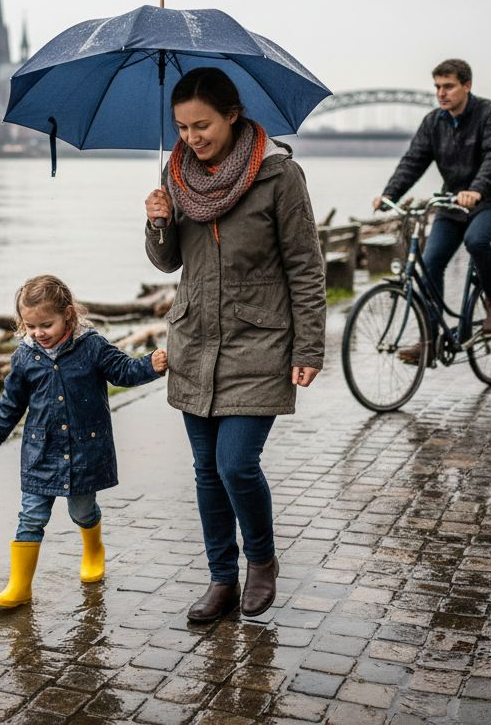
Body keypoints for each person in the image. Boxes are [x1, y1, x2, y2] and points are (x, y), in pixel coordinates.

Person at [144, 67, 327, 622]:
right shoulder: (174, 174)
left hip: (260, 339)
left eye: (202, 125)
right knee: (205, 470)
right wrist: (157, 223)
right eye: (181, 127)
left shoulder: (278, 176)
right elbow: (169, 261)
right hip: (195, 339)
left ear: (232, 114)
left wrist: (309, 347)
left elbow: (306, 267)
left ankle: (263, 561)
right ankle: (222, 579)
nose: (191, 138)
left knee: (236, 465)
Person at [0, 274, 168, 608]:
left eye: (45, 325)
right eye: (30, 326)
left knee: (81, 510)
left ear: (68, 314)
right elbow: (12, 402)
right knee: (31, 517)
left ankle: (93, 548)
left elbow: (122, 370)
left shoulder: (90, 346)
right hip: (41, 452)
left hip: (83, 450)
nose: (38, 333)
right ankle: (19, 587)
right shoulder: (24, 358)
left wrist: (149, 365)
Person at [371, 59, 491, 360]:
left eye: (448, 86)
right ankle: (429, 340)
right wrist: (390, 194)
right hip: (454, 202)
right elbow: (413, 160)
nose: (441, 93)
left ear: (467, 85)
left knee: (476, 241)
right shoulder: (433, 122)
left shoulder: (490, 116)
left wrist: (477, 189)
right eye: (437, 87)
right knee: (431, 263)